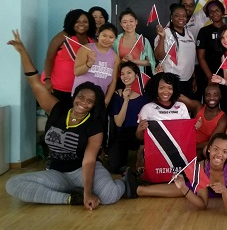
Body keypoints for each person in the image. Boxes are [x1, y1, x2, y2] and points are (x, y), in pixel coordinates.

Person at [6, 30, 136, 209]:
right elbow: (35, 83)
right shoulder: (58, 109)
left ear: (93, 105)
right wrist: (22, 52)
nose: (83, 103)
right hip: (57, 173)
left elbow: (89, 160)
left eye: (90, 101)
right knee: (13, 184)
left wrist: (88, 191)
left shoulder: (94, 125)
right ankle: (69, 198)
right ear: (75, 96)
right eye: (81, 97)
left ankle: (125, 181)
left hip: (82, 171)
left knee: (109, 195)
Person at [152, 133, 227, 215]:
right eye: (216, 149)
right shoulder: (200, 167)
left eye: (225, 151)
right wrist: (183, 188)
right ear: (209, 149)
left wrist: (224, 191)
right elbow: (203, 205)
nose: (219, 154)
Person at [43, 9, 96, 108]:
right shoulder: (62, 37)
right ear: (71, 22)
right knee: (58, 119)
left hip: (78, 91)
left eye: (85, 21)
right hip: (56, 88)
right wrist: (47, 79)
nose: (81, 24)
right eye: (77, 21)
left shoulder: (92, 42)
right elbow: (49, 58)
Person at [106, 62, 150, 173]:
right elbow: (119, 123)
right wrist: (125, 100)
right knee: (114, 167)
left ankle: (140, 151)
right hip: (121, 133)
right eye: (122, 73)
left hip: (139, 134)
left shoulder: (145, 96)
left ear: (136, 75)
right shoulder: (117, 95)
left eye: (129, 73)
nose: (125, 76)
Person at [196, 0, 227, 115]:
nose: (214, 13)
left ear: (222, 12)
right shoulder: (204, 31)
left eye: (217, 10)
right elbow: (200, 57)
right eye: (211, 12)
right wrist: (210, 77)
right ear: (208, 15)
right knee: (209, 106)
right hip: (208, 75)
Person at [154, 4, 197, 99]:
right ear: (171, 17)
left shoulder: (189, 34)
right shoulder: (165, 32)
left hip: (188, 79)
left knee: (185, 109)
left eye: (184, 16)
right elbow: (159, 56)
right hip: (171, 79)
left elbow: (191, 58)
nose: (181, 18)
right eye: (177, 15)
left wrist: (194, 77)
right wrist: (162, 37)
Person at [72, 23, 120, 106]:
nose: (107, 39)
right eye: (104, 35)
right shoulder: (86, 49)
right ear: (98, 34)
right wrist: (89, 63)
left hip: (99, 99)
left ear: (115, 39)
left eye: (111, 37)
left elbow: (113, 81)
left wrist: (106, 100)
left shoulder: (115, 57)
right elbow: (77, 72)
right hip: (80, 97)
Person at [179, 85, 227, 158]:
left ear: (220, 97)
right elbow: (180, 97)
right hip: (186, 141)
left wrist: (193, 147)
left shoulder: (222, 118)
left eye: (215, 95)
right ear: (204, 97)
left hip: (200, 148)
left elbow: (212, 142)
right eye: (208, 95)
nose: (211, 98)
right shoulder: (198, 107)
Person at [113, 9, 156, 75]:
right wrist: (121, 61)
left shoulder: (143, 40)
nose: (128, 24)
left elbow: (150, 62)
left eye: (131, 21)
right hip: (121, 77)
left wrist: (133, 61)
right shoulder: (116, 40)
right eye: (125, 22)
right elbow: (111, 60)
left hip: (138, 77)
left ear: (136, 22)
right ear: (121, 24)